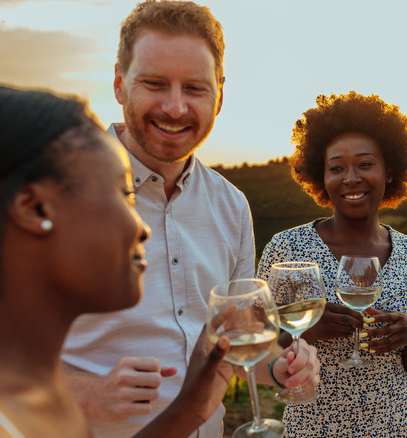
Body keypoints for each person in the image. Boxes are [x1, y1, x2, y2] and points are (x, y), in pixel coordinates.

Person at [60, 2, 318, 437]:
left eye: (195, 88)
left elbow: (238, 340)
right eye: (155, 84)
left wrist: (281, 367)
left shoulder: (231, 205)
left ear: (220, 93)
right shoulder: (51, 191)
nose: (176, 108)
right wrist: (87, 393)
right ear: (120, 84)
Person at [0, 84, 287, 437]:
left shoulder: (21, 398)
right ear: (34, 208)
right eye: (124, 195)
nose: (144, 229)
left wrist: (189, 410)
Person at [257, 91, 407, 437]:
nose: (351, 178)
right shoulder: (286, 248)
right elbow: (254, 344)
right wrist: (303, 331)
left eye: (365, 164)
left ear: (389, 172)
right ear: (320, 177)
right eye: (336, 168)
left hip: (397, 430)